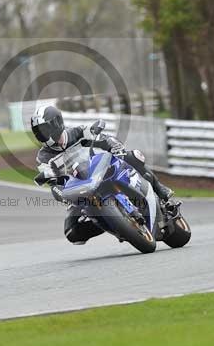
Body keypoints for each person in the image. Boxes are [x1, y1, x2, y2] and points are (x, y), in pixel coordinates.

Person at [30, 104, 180, 244]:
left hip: (99, 169)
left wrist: (114, 146)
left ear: (56, 123)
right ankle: (113, 223)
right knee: (71, 233)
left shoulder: (77, 132)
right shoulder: (43, 157)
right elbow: (50, 179)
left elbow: (102, 138)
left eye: (44, 129)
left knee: (132, 155)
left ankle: (160, 190)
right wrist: (62, 193)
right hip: (78, 189)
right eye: (39, 132)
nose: (42, 135)